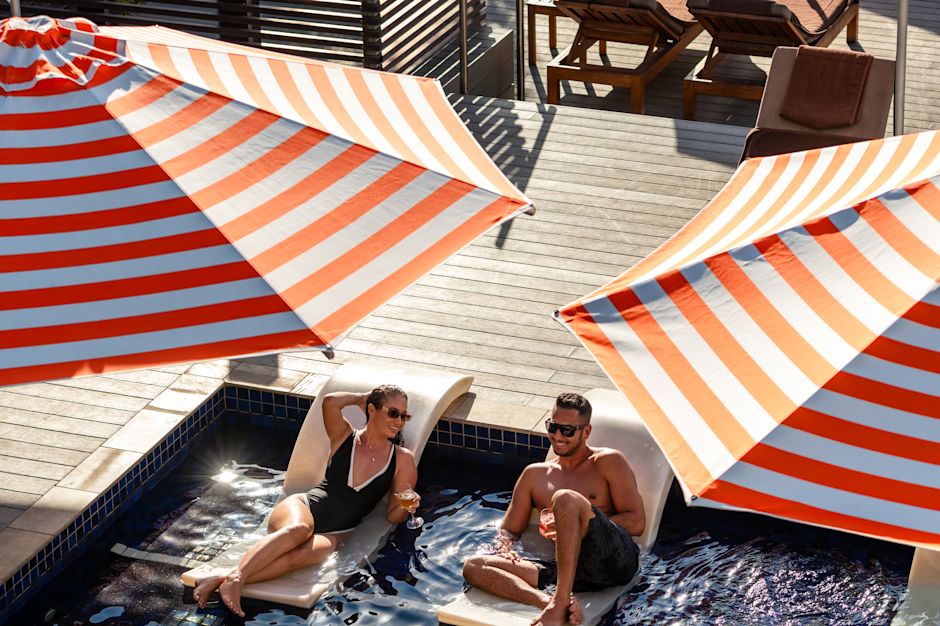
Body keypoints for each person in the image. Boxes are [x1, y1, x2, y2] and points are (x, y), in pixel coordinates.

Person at [192, 385, 420, 617]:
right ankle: (237, 578)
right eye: (393, 413)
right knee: (300, 529)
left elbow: (394, 515)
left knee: (300, 556)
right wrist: (362, 397)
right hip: (304, 508)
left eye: (405, 416)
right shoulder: (344, 436)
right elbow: (330, 402)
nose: (399, 422)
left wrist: (406, 506)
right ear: (372, 409)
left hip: (336, 533)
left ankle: (224, 578)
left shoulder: (402, 459)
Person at [462, 392, 645, 626]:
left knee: (565, 498)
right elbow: (509, 528)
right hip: (569, 571)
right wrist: (505, 547)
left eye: (567, 430)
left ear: (586, 432)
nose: (558, 436)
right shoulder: (534, 475)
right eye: (553, 427)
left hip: (614, 560)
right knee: (475, 566)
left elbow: (637, 523)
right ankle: (551, 602)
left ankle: (559, 602)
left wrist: (578, 525)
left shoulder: (608, 461)